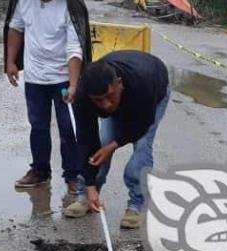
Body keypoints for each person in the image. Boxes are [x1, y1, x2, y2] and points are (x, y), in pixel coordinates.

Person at [3, 0, 93, 202]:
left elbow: (76, 47)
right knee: (38, 126)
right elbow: (15, 28)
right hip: (34, 78)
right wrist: (10, 61)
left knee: (69, 129)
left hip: (64, 78)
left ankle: (73, 175)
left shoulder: (69, 4)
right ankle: (40, 170)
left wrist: (74, 85)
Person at [67, 50, 170, 229]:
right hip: (124, 92)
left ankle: (136, 206)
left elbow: (141, 125)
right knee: (102, 142)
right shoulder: (84, 95)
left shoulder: (143, 83)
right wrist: (90, 184)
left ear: (119, 84)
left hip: (153, 94)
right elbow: (86, 139)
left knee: (142, 146)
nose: (106, 105)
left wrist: (113, 146)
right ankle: (86, 196)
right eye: (98, 101)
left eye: (109, 96)